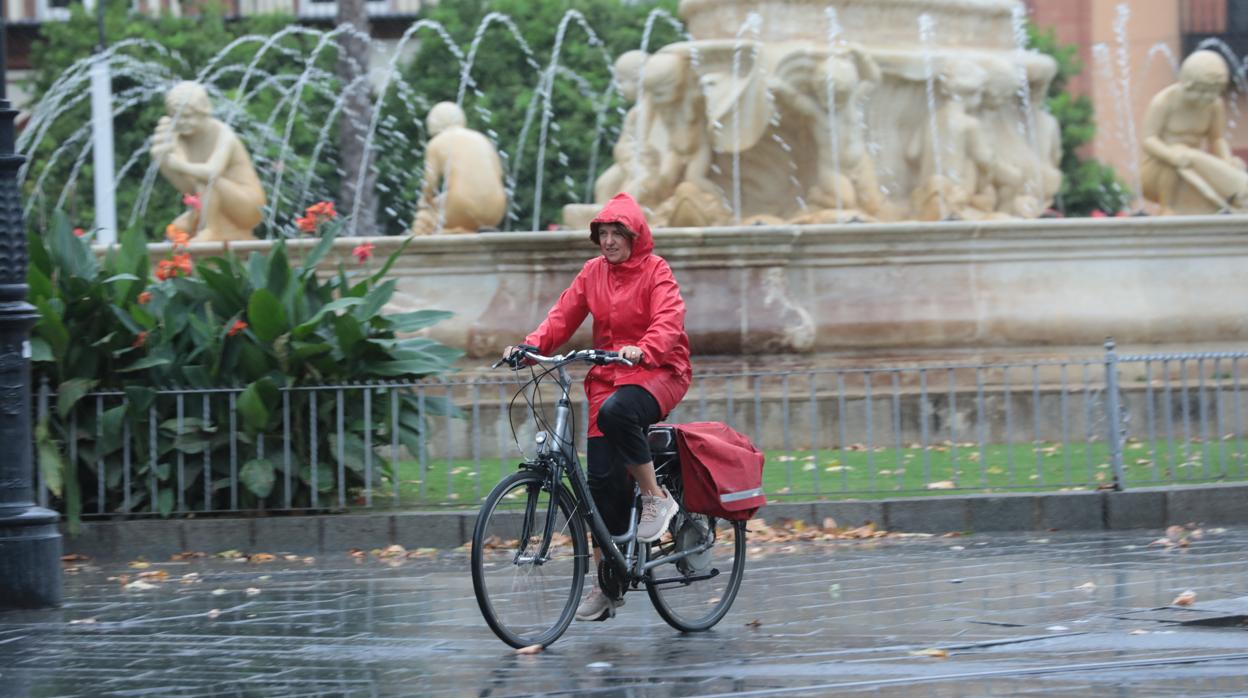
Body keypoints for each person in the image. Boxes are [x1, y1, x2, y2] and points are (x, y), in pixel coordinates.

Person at [503, 192, 692, 622]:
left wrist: (644, 349)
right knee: (601, 485)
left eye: (616, 234)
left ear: (635, 236)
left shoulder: (656, 271)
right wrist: (529, 347)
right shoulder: (592, 274)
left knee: (617, 414)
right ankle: (609, 585)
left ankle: (655, 498)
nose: (608, 242)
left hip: (659, 370)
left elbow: (669, 321)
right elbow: (561, 317)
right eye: (602, 234)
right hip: (610, 377)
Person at [149, 81, 266, 242]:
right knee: (177, 229)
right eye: (177, 117)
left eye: (187, 116)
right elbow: (190, 188)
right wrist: (165, 161)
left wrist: (178, 165)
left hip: (248, 206)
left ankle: (210, 230)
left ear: (203, 111)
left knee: (206, 177)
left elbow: (211, 172)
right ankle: (209, 228)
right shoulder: (182, 137)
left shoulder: (224, 134)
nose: (182, 122)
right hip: (214, 202)